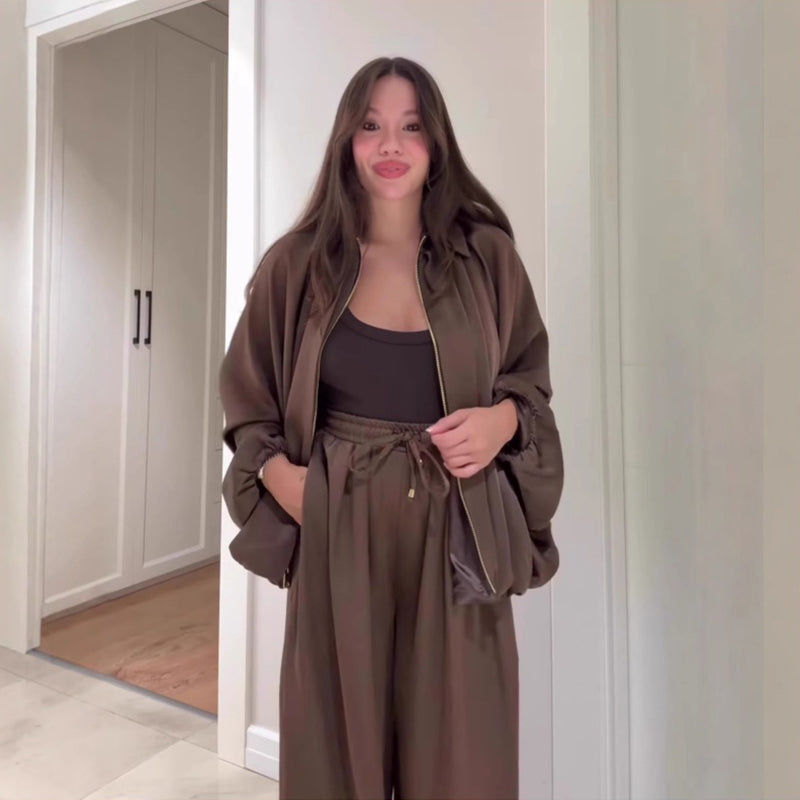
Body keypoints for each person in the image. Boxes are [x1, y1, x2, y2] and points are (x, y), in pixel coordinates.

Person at [219, 56, 564, 800]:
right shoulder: (298, 266)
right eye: (371, 125)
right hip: (339, 526)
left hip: (459, 528)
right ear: (347, 139)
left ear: (436, 143)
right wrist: (281, 479)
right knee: (338, 745)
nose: (390, 145)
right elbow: (248, 401)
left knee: (462, 751)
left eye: (410, 127)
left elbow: (530, 381)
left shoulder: (486, 258)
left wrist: (502, 420)